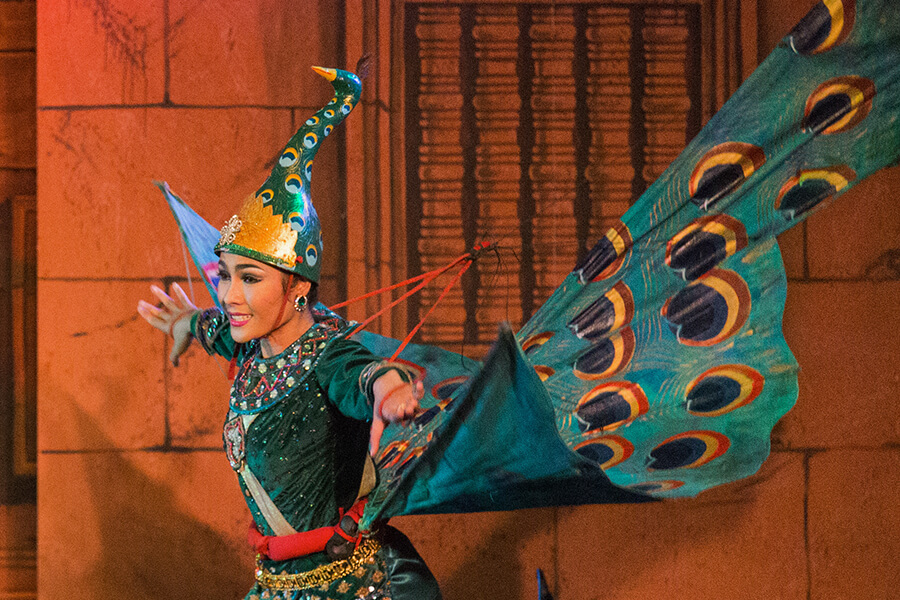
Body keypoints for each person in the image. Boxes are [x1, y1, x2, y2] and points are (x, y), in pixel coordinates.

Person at [138, 66, 442, 600]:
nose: (229, 294)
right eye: (226, 274)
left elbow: (365, 373)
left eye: (249, 278)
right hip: (277, 586)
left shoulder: (328, 356)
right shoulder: (248, 340)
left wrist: (390, 390)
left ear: (298, 286)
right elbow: (215, 328)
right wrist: (187, 321)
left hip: (352, 585)